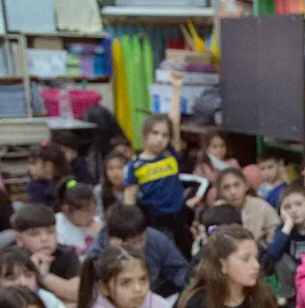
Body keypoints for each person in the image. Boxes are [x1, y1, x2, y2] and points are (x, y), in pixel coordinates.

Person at [123, 71, 192, 257]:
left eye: (165, 135)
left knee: (184, 257)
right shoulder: (135, 166)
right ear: (144, 136)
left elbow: (174, 121)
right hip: (155, 222)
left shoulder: (170, 155)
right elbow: (129, 201)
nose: (160, 139)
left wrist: (176, 90)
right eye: (155, 133)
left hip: (179, 219)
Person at [87, 205, 190, 298]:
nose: (138, 247)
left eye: (141, 240)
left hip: (154, 295)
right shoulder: (96, 253)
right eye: (132, 243)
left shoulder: (156, 238)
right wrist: (113, 256)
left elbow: (180, 269)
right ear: (115, 239)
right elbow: (92, 286)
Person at [262, 184, 305, 302]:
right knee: (279, 258)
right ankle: (290, 300)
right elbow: (270, 256)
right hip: (298, 280)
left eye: (298, 204)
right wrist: (287, 225)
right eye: (287, 207)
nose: (293, 210)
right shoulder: (284, 230)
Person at [12, 204, 81, 304]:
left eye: (50, 232)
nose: (45, 239)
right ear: (19, 239)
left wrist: (43, 275)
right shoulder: (10, 258)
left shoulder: (66, 253)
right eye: (34, 234)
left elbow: (76, 293)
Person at [216, 168, 280, 250]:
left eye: (237, 185)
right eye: (226, 188)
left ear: (246, 186)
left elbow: (275, 237)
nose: (233, 191)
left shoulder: (261, 207)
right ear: (220, 192)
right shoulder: (218, 212)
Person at [191, 129, 240, 210]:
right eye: (214, 147)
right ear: (207, 148)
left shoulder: (233, 163)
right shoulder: (203, 167)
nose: (219, 150)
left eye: (222, 146)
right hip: (210, 205)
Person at [54, 179, 102, 260]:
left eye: (93, 210)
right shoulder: (56, 225)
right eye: (85, 211)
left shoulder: (97, 221)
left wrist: (99, 235)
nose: (91, 215)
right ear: (66, 210)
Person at [26, 142, 68, 208]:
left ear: (48, 165)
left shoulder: (68, 184)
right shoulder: (33, 185)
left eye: (33, 163)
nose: (30, 168)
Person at [95, 151, 129, 217]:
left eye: (120, 168)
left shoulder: (137, 189)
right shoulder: (99, 191)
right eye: (111, 169)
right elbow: (99, 217)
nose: (115, 173)